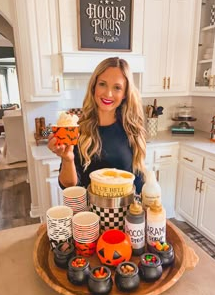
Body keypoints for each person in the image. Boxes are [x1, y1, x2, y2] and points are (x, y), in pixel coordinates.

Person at [47, 57, 146, 194]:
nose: (108, 93)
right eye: (102, 84)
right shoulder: (77, 130)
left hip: (126, 212)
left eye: (117, 87)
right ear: (94, 87)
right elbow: (69, 186)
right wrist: (67, 159)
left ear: (125, 94)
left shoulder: (132, 129)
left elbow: (139, 182)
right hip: (90, 213)